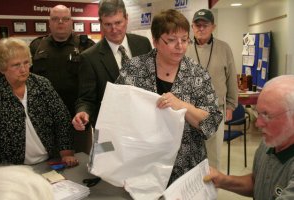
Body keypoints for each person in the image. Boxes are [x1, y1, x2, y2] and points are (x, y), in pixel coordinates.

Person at [115, 9, 222, 186]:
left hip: (186, 168)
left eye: (184, 39)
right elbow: (118, 111)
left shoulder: (197, 74)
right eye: (171, 40)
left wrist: (182, 106)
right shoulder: (134, 69)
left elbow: (211, 122)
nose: (180, 46)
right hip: (143, 167)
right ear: (155, 41)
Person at [204, 75, 294, 199]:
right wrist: (222, 180)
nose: (258, 123)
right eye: (259, 113)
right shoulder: (269, 143)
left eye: (267, 115)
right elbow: (258, 183)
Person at [0, 37, 78, 166]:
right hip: (10, 168)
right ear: (2, 67)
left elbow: (62, 119)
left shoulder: (42, 84)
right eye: (16, 65)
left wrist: (66, 154)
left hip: (48, 161)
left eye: (26, 62)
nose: (23, 69)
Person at [72, 0, 152, 131]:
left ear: (126, 18)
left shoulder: (143, 44)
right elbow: (86, 98)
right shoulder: (89, 57)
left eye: (118, 22)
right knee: (104, 152)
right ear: (101, 23)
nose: (114, 29)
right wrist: (83, 112)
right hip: (108, 130)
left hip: (143, 124)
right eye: (108, 24)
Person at [29, 4, 95, 153]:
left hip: (77, 117)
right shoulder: (36, 46)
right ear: (49, 23)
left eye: (65, 19)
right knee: (48, 161)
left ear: (71, 22)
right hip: (45, 119)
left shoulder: (86, 46)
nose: (60, 22)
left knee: (81, 158)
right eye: (55, 19)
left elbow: (94, 83)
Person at [186, 9, 238, 169]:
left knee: (213, 156)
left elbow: (231, 79)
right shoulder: (184, 47)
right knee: (191, 153)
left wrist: (230, 105)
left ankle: (211, 191)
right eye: (197, 25)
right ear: (192, 26)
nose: (201, 28)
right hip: (190, 109)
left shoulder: (224, 48)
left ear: (213, 27)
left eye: (205, 25)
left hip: (216, 110)